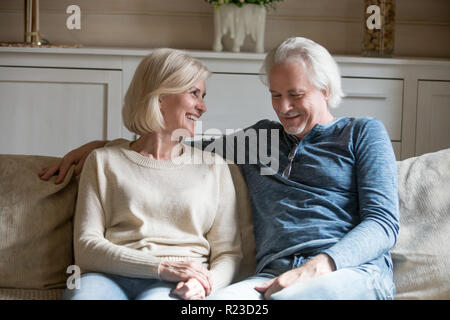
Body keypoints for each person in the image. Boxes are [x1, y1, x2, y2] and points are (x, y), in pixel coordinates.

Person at [40, 37, 399, 300]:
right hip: (273, 276)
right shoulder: (260, 139)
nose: (284, 107)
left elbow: (382, 223)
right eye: (275, 95)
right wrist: (103, 146)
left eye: (296, 94)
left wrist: (317, 266)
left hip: (347, 272)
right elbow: (173, 144)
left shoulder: (362, 133)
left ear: (324, 89)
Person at [53, 48, 242, 300]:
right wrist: (161, 267)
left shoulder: (216, 168)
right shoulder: (103, 161)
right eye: (194, 93)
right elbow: (87, 247)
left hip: (179, 283)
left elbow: (228, 253)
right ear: (161, 96)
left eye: (203, 96)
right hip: (107, 276)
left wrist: (207, 284)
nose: (203, 107)